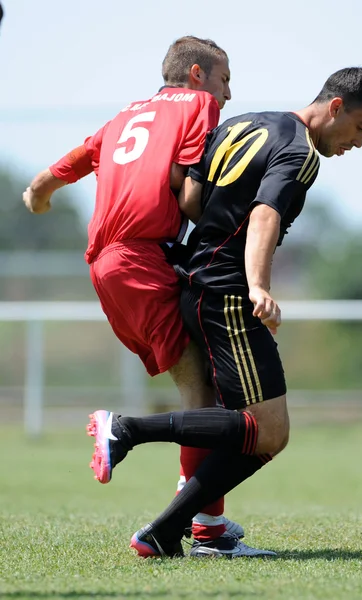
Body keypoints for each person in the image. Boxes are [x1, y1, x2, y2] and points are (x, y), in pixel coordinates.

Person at [87, 66, 362, 558]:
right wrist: (256, 285)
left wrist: (214, 242)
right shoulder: (299, 153)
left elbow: (189, 197)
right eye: (361, 127)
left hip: (193, 280)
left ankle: (171, 531)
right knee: (268, 432)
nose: (359, 142)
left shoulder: (240, 124)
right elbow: (265, 214)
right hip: (229, 294)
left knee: (234, 420)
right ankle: (126, 430)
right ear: (336, 107)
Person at [22, 36, 268, 556]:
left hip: (109, 262)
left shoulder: (127, 115)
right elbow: (187, 184)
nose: (229, 93)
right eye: (225, 79)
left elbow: (80, 157)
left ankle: (205, 520)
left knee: (206, 378)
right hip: (141, 257)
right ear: (198, 75)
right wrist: (236, 226)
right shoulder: (198, 105)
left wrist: (40, 188)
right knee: (202, 386)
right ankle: (201, 523)